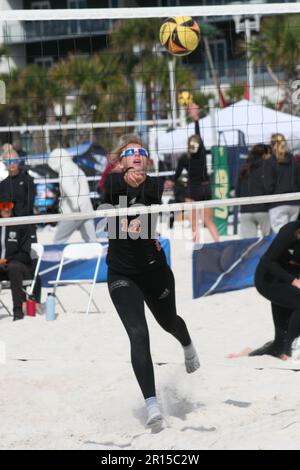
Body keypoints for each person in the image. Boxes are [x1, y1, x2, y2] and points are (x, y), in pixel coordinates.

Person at [104, 134, 200, 427]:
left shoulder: (154, 185)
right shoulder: (111, 183)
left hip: (154, 270)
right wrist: (125, 202)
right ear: (121, 161)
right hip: (121, 273)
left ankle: (187, 344)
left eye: (141, 152)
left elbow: (143, 219)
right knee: (138, 334)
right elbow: (115, 196)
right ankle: (153, 406)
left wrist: (135, 218)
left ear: (146, 160)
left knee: (168, 322)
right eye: (130, 153)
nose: (136, 156)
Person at [227, 221, 300, 361]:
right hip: (268, 280)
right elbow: (267, 260)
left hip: (287, 279)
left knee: (278, 345)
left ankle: (247, 354)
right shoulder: (290, 231)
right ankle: (291, 354)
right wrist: (294, 281)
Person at [174, 103, 219, 243]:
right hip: (205, 188)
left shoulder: (184, 159)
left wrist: (180, 193)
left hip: (193, 189)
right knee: (208, 220)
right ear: (199, 146)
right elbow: (198, 137)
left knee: (194, 222)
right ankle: (218, 243)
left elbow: (175, 177)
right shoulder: (201, 155)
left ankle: (196, 246)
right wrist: (196, 119)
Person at [0, 197, 41, 321]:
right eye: (3, 206)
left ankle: (18, 311)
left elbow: (24, 255)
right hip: (2, 269)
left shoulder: (20, 225)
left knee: (14, 266)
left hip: (19, 267)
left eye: (9, 205)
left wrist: (7, 260)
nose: (6, 208)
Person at [48, 148, 97, 244]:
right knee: (91, 240)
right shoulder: (75, 167)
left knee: (59, 241)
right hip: (86, 208)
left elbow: (68, 187)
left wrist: (76, 203)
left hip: (73, 211)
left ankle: (57, 258)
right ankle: (96, 257)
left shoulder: (64, 170)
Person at [236, 144, 272, 238]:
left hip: (245, 211)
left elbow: (237, 192)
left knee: (249, 245)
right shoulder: (267, 166)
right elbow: (269, 188)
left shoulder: (244, 168)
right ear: (264, 155)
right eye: (270, 154)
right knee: (270, 243)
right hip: (263, 209)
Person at [268, 134, 300, 233]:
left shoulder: (270, 161)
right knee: (290, 235)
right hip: (294, 203)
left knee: (280, 237)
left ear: (272, 145)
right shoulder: (294, 160)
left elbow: (268, 185)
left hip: (278, 203)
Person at [0, 143, 35, 218]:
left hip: (26, 222)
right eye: (9, 162)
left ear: (18, 161)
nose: (12, 164)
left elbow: (29, 205)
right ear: (4, 163)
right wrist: (4, 210)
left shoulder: (28, 180)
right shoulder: (2, 184)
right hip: (9, 223)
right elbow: (4, 207)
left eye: (14, 161)